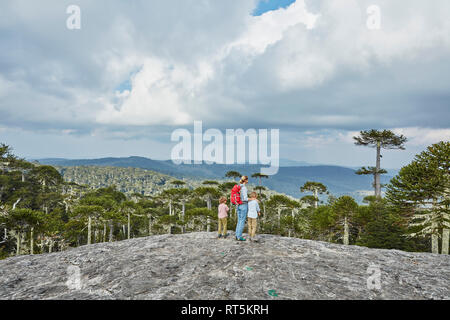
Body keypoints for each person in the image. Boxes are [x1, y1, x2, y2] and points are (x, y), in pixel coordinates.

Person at [235, 175, 249, 241]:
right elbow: (245, 199)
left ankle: (237, 235)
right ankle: (239, 236)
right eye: (247, 179)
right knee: (242, 221)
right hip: (243, 205)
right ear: (246, 180)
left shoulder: (238, 186)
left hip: (238, 205)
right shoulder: (244, 188)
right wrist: (252, 199)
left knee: (239, 220)